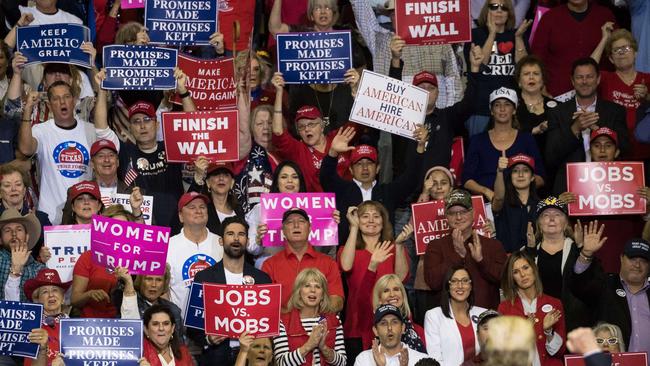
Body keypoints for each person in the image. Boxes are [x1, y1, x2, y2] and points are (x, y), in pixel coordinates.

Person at [94, 68, 193, 227]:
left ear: (157, 123)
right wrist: (101, 90)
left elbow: (194, 127)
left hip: (176, 226)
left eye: (147, 120)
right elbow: (101, 129)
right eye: (136, 121)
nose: (142, 126)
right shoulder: (125, 151)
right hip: (141, 229)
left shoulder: (171, 147)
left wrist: (183, 91)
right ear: (131, 128)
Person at [16, 80, 119, 224]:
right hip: (49, 216)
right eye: (56, 99)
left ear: (75, 100)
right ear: (50, 105)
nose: (62, 102)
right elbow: (26, 149)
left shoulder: (90, 130)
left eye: (66, 97)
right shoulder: (41, 130)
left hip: (83, 216)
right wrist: (27, 110)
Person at [322, 126, 427, 249]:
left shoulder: (388, 192)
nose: (365, 168)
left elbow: (411, 179)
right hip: (349, 256)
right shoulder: (342, 190)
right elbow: (326, 177)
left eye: (370, 163)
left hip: (383, 256)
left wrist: (420, 147)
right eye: (359, 164)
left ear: (378, 168)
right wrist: (333, 152)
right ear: (350, 169)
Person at [191, 216, 272, 366]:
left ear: (247, 241)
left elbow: (269, 325)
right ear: (221, 241)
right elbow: (193, 326)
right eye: (230, 234)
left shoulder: (262, 279)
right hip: (215, 357)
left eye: (241, 234)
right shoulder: (204, 277)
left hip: (252, 358)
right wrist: (208, 339)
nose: (236, 239)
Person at [545, 57, 629, 194]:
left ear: (598, 79)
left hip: (608, 187)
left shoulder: (615, 111)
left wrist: (598, 129)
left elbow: (625, 149)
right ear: (572, 80)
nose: (584, 82)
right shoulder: (557, 113)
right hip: (569, 189)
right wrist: (575, 128)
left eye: (589, 77)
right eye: (579, 77)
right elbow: (551, 156)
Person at [338, 201, 411, 359]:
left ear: (384, 221)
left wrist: (398, 246)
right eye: (365, 216)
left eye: (376, 216)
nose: (371, 220)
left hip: (391, 324)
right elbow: (345, 266)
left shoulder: (393, 247)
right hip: (357, 325)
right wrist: (354, 227)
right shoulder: (349, 249)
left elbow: (401, 278)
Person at [270, 73, 356, 192]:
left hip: (343, 203)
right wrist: (279, 92)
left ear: (322, 126)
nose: (306, 129)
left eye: (311, 124)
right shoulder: (298, 150)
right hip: (314, 207)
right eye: (301, 126)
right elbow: (278, 132)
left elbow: (359, 119)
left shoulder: (338, 137)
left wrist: (355, 89)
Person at [424, 189, 507, 309]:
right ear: (446, 217)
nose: (458, 217)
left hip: (486, 319)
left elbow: (505, 280)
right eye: (452, 213)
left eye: (463, 212)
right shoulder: (436, 246)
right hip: (450, 320)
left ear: (473, 213)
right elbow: (433, 283)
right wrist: (457, 256)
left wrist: (481, 261)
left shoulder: (493, 245)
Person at [523, 197, 595, 331]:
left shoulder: (580, 249)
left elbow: (591, 287)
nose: (551, 218)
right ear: (539, 223)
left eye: (557, 214)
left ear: (566, 222)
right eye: (545, 215)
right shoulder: (528, 251)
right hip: (538, 321)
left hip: (574, 323)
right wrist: (530, 251)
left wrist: (580, 249)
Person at [569, 237, 650, 353]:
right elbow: (579, 287)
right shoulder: (605, 285)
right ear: (621, 258)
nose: (637, 265)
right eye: (632, 258)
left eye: (643, 260)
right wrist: (586, 255)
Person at [463, 87, 545, 201]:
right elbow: (467, 180)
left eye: (507, 104)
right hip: (487, 203)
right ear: (491, 111)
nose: (502, 109)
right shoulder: (477, 140)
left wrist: (518, 191)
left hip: (520, 203)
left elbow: (540, 177)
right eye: (497, 105)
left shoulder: (526, 139)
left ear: (514, 109)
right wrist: (487, 192)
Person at [462, 0, 531, 135]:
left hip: (510, 108)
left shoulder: (517, 35)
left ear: (509, 13)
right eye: (494, 7)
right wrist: (492, 34)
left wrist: (518, 38)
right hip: (481, 107)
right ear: (486, 11)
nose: (499, 10)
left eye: (504, 7)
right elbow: (480, 65)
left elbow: (524, 69)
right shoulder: (475, 35)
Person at [262, 208, 344, 311]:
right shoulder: (269, 265)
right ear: (283, 231)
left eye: (301, 221)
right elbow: (266, 305)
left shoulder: (328, 263)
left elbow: (337, 301)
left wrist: (311, 316)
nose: (296, 225)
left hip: (319, 324)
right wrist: (292, 319)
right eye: (290, 222)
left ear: (309, 228)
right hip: (284, 326)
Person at [531, 0, 616, 96]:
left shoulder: (605, 15)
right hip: (557, 95)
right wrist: (541, 87)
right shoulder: (549, 17)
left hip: (600, 94)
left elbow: (617, 51)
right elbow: (536, 59)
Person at [591, 27, 650, 160]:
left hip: (646, 150)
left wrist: (647, 97)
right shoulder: (605, 78)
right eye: (616, 50)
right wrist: (604, 39)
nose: (622, 53)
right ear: (611, 59)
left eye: (626, 48)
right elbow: (587, 69)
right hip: (614, 152)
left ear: (635, 53)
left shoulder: (648, 79)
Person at [498, 252, 566, 366]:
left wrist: (548, 332)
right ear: (512, 278)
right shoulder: (505, 309)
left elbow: (560, 352)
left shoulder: (554, 303)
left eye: (525, 267)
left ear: (534, 269)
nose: (523, 274)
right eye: (516, 272)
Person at [70, 204, 137, 318]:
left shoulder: (137, 260)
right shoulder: (88, 257)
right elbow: (75, 299)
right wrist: (89, 294)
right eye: (115, 227)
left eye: (124, 227)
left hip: (125, 323)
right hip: (90, 323)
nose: (119, 231)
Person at [273, 268, 346, 366]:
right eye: (307, 286)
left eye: (318, 287)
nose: (313, 290)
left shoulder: (334, 321)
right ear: (299, 292)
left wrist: (324, 348)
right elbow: (281, 363)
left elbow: (342, 362)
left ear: (323, 295)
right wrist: (309, 345)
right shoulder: (282, 322)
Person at [166, 192, 223, 315]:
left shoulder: (221, 243)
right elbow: (163, 290)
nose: (198, 211)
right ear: (181, 216)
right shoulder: (168, 246)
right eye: (192, 207)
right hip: (181, 326)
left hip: (218, 321)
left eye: (202, 207)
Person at [412, 166, 455, 323]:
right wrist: (424, 193)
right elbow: (412, 229)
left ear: (451, 188)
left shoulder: (461, 211)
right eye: (433, 183)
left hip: (456, 277)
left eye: (443, 182)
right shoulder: (421, 207)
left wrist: (488, 227)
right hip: (426, 281)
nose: (438, 187)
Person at [424, 266, 487, 366]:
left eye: (465, 281)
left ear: (471, 286)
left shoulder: (483, 314)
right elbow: (435, 360)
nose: (460, 285)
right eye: (454, 281)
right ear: (448, 287)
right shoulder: (433, 316)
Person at [113, 264, 183, 342]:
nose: (153, 284)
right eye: (149, 279)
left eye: (159, 280)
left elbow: (179, 346)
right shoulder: (126, 302)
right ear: (140, 281)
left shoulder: (173, 310)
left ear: (164, 283)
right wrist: (126, 280)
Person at [22, 268, 71, 366]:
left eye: (55, 290)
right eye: (45, 292)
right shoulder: (32, 328)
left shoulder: (76, 327)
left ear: (63, 298)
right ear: (37, 300)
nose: (51, 295)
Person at [514, 56, 558, 165]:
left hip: (551, 166)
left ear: (543, 80)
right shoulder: (510, 108)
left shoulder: (558, 107)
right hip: (518, 164)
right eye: (526, 74)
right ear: (519, 81)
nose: (531, 77)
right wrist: (533, 131)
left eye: (536, 74)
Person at [0, 163, 51, 255]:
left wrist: (34, 226)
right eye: (7, 186)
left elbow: (51, 249)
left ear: (24, 190)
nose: (13, 189)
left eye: (18, 184)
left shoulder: (41, 218)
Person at [354, 304, 429, 366]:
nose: (389, 327)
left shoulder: (420, 359)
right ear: (375, 330)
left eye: (394, 322)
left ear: (403, 328)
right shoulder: (363, 360)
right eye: (383, 323)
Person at [492, 154, 539, 253]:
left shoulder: (540, 205)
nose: (520, 175)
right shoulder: (503, 203)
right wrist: (500, 171)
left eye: (525, 170)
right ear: (510, 177)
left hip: (532, 261)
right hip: (505, 261)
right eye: (515, 171)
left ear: (532, 178)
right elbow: (499, 197)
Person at [188, 160, 245, 236]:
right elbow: (185, 209)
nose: (221, 178)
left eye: (226, 175)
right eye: (216, 174)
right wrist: (197, 179)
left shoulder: (239, 210)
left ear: (232, 183)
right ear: (208, 183)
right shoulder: (201, 210)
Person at [0, 208, 43, 301]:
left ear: (27, 237)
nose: (14, 234)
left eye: (19, 230)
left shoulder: (40, 270)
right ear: (0, 239)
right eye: (7, 230)